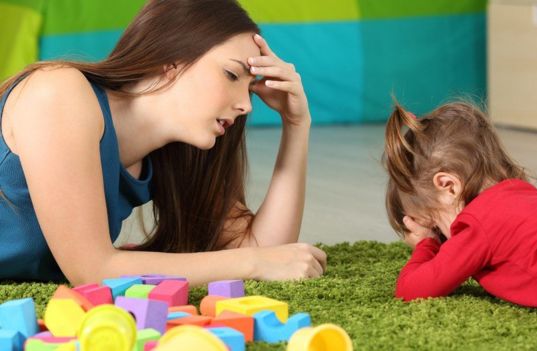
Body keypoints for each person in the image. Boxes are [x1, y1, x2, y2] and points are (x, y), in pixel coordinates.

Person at [0, 0, 326, 286]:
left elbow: (266, 250)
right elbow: (93, 270)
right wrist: (252, 263)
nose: (246, 105)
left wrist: (297, 125)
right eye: (231, 75)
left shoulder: (172, 154)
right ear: (170, 62)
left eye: (249, 85)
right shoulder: (58, 93)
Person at [383, 101, 537, 320]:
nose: (446, 242)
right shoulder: (520, 194)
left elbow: (411, 290)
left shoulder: (476, 224)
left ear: (449, 186)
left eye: (437, 227)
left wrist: (426, 243)